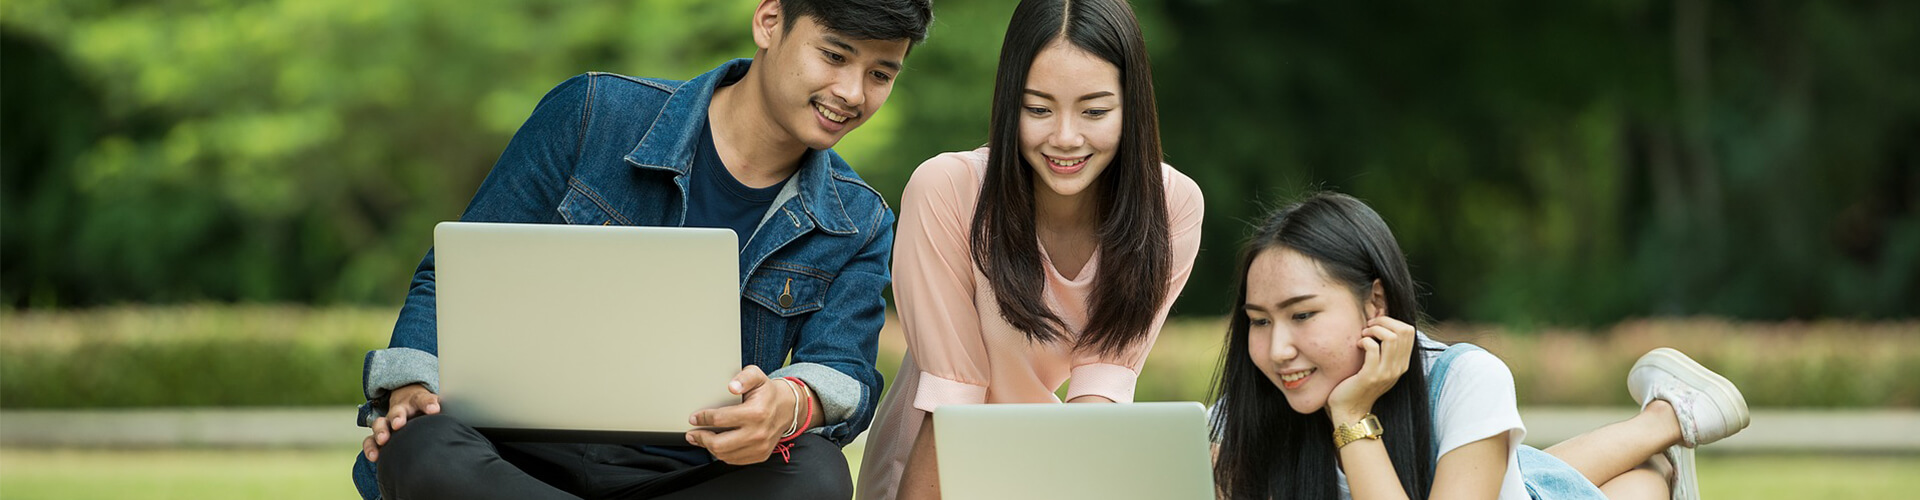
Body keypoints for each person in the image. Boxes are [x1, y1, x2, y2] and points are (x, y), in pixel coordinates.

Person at [348, 1, 932, 498]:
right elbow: (450, 280)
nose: (852, 93)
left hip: (694, 471)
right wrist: (411, 387)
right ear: (770, 21)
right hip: (512, 454)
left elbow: (843, 373)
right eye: (834, 55)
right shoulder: (590, 113)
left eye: (881, 74)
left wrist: (791, 402)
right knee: (419, 440)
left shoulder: (861, 219)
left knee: (817, 476)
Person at [854, 0, 1205, 498]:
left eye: (1095, 111)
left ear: (1133, 106)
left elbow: (1099, 392)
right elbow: (953, 398)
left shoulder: (1171, 207)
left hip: (1050, 458)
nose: (1065, 137)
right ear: (1007, 103)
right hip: (930, 461)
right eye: (1038, 108)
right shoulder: (947, 190)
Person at [1209, 192, 1752, 500]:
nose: (1278, 349)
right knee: (1533, 471)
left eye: (1302, 315)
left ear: (1375, 304)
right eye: (1258, 321)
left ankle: (1663, 434)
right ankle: (1666, 418)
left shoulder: (1468, 379)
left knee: (1639, 487)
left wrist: (1352, 417)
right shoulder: (1245, 414)